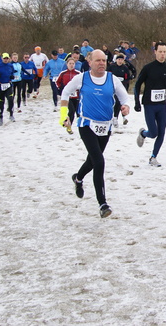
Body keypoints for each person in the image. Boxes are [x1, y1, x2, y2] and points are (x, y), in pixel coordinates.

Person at [60, 49, 130, 218]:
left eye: (104, 60)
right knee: (99, 161)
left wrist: (125, 107)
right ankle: (103, 204)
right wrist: (64, 115)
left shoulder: (112, 79)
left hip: (105, 126)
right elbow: (65, 93)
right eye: (98, 60)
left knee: (92, 160)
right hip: (86, 124)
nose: (101, 63)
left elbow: (124, 97)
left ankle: (78, 178)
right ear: (89, 62)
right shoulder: (81, 78)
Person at [134, 41, 166, 167]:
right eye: (160, 52)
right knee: (153, 133)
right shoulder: (148, 68)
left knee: (162, 132)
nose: (162, 54)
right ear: (155, 52)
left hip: (162, 105)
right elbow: (137, 85)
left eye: (164, 52)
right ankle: (143, 133)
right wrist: (137, 101)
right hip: (149, 104)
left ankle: (153, 157)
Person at [56, 57, 81, 135]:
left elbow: (82, 83)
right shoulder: (63, 73)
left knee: (79, 112)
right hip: (67, 97)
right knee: (71, 111)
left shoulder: (78, 73)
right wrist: (62, 90)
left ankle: (82, 128)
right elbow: (57, 82)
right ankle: (69, 126)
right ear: (67, 64)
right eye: (70, 63)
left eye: (73, 64)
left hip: (76, 96)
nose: (71, 65)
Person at [107, 53, 132, 128]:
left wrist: (125, 83)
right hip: (112, 87)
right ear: (116, 60)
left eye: (121, 60)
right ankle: (113, 117)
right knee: (113, 102)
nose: (120, 61)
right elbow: (107, 76)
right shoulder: (112, 67)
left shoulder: (125, 68)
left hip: (122, 87)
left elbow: (127, 78)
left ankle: (116, 118)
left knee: (119, 102)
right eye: (119, 59)